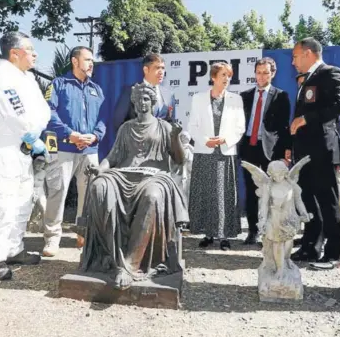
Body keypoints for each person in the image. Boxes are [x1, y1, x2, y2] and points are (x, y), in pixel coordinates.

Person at [80, 83, 187, 290]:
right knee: (99, 187)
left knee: (152, 196)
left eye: (145, 99)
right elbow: (111, 158)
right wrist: (99, 169)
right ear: (133, 104)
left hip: (155, 176)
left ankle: (130, 265)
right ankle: (109, 257)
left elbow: (179, 160)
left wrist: (175, 138)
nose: (141, 103)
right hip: (124, 175)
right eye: (137, 100)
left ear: (153, 102)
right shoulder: (126, 128)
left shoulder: (163, 127)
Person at [0, 31, 50, 280]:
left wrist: (34, 135)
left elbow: (43, 110)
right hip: (2, 148)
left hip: (25, 149)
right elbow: (12, 109)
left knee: (22, 201)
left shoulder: (29, 78)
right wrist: (29, 134)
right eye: (30, 49)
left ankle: (14, 248)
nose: (34, 54)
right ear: (14, 53)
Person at [286, 37, 340, 270]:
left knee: (328, 202)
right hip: (304, 151)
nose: (293, 62)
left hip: (323, 148)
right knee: (308, 202)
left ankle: (334, 254)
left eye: (295, 56)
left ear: (309, 53)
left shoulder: (331, 73)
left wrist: (306, 118)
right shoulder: (306, 79)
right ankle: (311, 247)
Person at [42, 46, 106, 257]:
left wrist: (95, 135)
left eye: (92, 61)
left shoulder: (97, 89)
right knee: (57, 192)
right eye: (87, 60)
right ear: (74, 61)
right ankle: (52, 238)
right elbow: (48, 112)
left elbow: (104, 118)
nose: (91, 64)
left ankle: (84, 234)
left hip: (90, 149)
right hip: (63, 147)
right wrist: (71, 135)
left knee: (90, 195)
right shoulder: (58, 85)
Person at [187, 62, 246, 250]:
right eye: (223, 75)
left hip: (225, 153)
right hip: (205, 153)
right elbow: (192, 127)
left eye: (229, 75)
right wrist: (206, 140)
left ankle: (225, 237)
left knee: (224, 196)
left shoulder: (236, 100)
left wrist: (225, 139)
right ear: (213, 77)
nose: (227, 79)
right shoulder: (198, 99)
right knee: (205, 194)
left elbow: (240, 127)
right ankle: (208, 234)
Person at [238, 57, 291, 246]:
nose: (261, 76)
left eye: (265, 72)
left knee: (271, 192)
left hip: (271, 150)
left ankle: (270, 230)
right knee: (251, 191)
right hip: (248, 148)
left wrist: (287, 150)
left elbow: (284, 127)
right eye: (258, 72)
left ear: (273, 74)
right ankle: (253, 231)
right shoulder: (244, 96)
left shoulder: (281, 96)